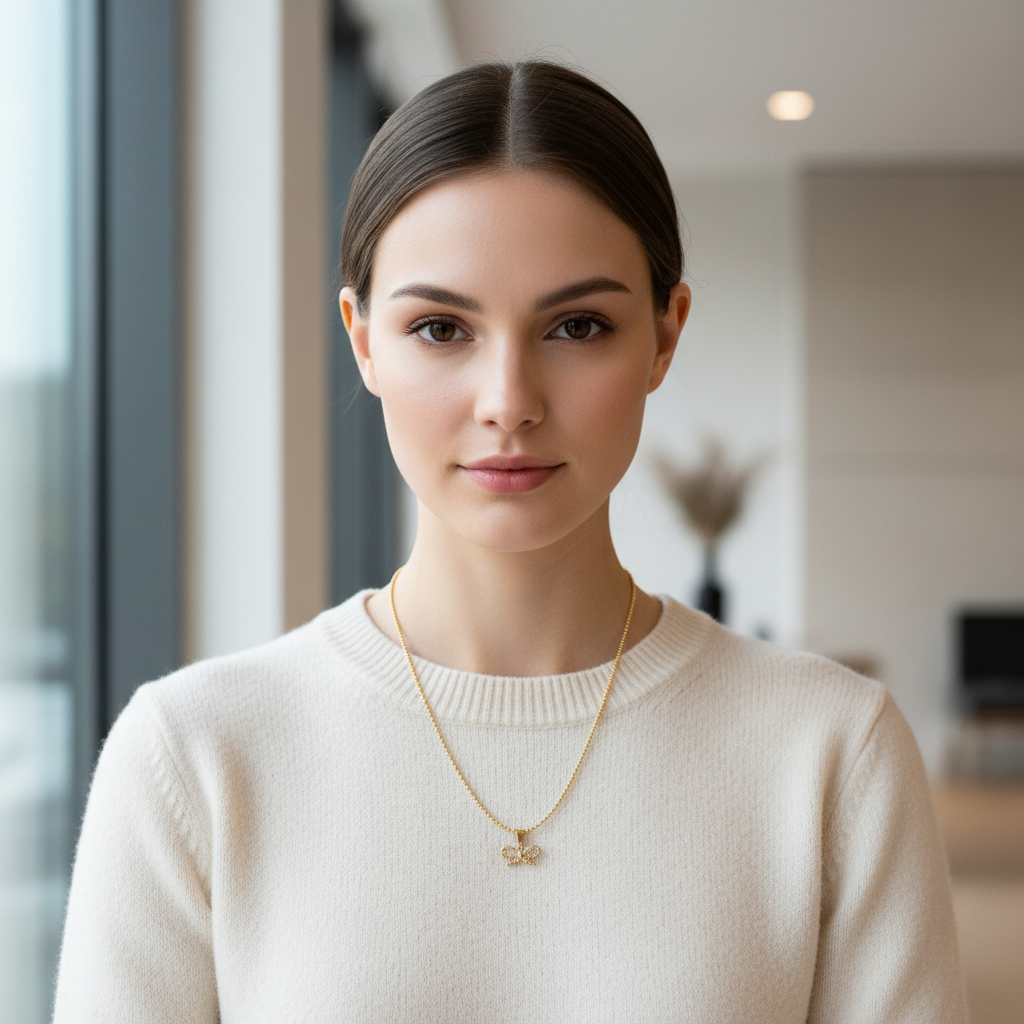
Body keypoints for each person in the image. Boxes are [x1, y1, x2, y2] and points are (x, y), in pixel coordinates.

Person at [54, 60, 965, 1022]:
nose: (509, 405)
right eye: (442, 328)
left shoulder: (830, 754)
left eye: (577, 326)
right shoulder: (195, 755)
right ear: (363, 341)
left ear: (664, 335)